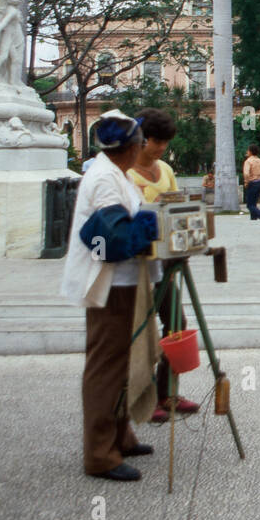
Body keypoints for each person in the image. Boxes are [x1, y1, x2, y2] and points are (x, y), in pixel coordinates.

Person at [59, 110, 163, 482]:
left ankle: (120, 434)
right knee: (106, 366)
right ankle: (100, 453)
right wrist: (147, 226)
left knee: (121, 362)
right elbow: (111, 241)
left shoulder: (113, 174)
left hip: (123, 283)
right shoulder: (104, 178)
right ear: (132, 146)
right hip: (109, 285)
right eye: (140, 143)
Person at [128, 109, 201, 425]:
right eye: (155, 141)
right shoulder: (125, 174)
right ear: (141, 138)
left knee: (176, 325)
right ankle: (142, 399)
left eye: (164, 143)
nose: (160, 148)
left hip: (166, 266)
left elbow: (176, 210)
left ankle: (168, 392)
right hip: (136, 269)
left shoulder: (166, 170)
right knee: (142, 333)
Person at [243, 144, 260, 221]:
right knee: (254, 202)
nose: (247, 152)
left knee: (249, 205)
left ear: (250, 152)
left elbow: (246, 173)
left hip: (252, 183)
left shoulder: (248, 161)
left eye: (248, 150)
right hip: (259, 183)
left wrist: (246, 182)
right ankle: (253, 218)